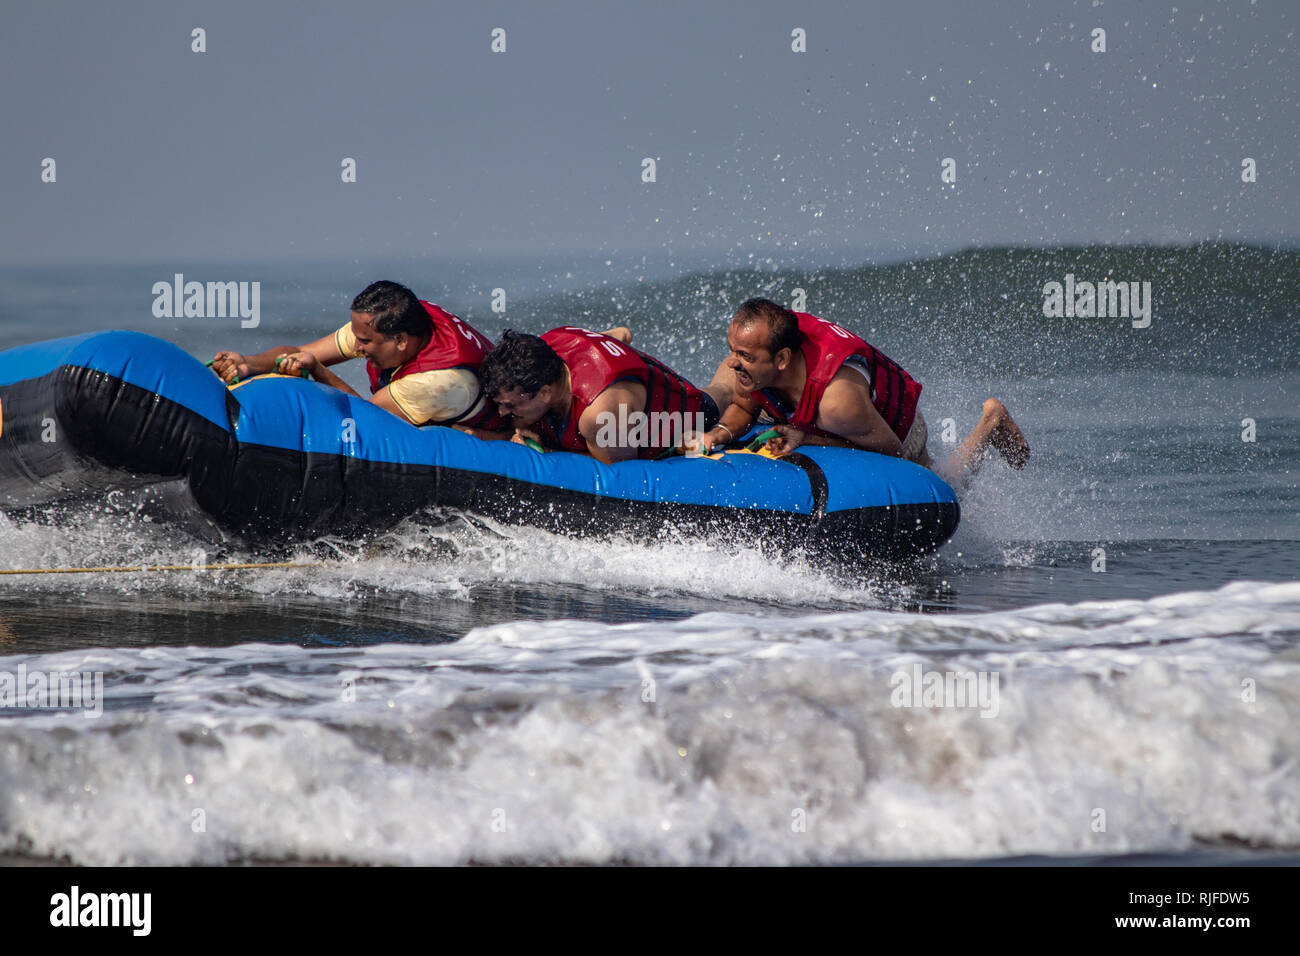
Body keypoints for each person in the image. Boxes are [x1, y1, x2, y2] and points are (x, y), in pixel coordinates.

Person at [700, 298, 1029, 486]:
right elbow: (745, 406)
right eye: (733, 350)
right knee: (728, 386)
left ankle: (991, 422)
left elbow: (891, 451)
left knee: (943, 485)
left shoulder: (837, 404)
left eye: (745, 356)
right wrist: (717, 435)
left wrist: (808, 437)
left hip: (893, 426)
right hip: (812, 398)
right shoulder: (761, 355)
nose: (733, 362)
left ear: (782, 359)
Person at [209, 280, 503, 430]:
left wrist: (319, 372)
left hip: (483, 442)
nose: (357, 347)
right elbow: (301, 352)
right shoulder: (389, 324)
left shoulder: (439, 382)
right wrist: (248, 363)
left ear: (400, 341)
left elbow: (362, 422)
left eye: (364, 342)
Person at [476, 327, 730, 464]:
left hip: (690, 415)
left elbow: (622, 471)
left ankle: (739, 381)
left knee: (721, 392)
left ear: (544, 393)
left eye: (510, 405)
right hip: (626, 393)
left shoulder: (598, 416)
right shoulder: (552, 342)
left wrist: (545, 450)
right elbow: (621, 334)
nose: (502, 412)